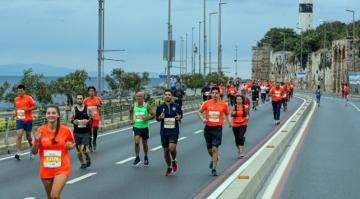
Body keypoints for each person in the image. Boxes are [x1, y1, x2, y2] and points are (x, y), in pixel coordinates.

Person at [31, 105, 75, 199]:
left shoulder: (66, 130)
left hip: (62, 167)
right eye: (49, 113)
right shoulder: (40, 131)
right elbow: (34, 152)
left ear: (58, 115)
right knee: (50, 197)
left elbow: (72, 144)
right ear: (46, 115)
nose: (51, 115)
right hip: (46, 169)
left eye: (54, 113)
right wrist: (36, 140)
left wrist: (70, 146)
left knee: (54, 195)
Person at [197, 86, 229, 176]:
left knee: (215, 148)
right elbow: (199, 112)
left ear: (219, 94)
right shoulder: (206, 103)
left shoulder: (223, 104)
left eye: (216, 93)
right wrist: (202, 119)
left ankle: (214, 169)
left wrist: (230, 122)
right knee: (210, 150)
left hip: (218, 128)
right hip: (208, 128)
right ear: (210, 94)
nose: (214, 95)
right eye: (213, 93)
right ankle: (216, 158)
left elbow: (227, 114)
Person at [156, 89, 182, 176]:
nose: (167, 96)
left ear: (171, 96)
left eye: (169, 95)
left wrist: (179, 117)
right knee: (166, 151)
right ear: (163, 96)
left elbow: (180, 115)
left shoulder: (177, 106)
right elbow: (157, 119)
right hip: (164, 131)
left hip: (174, 130)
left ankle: (174, 160)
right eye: (166, 95)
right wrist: (160, 117)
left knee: (172, 148)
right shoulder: (160, 107)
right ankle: (169, 167)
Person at [129, 91, 155, 167]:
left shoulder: (147, 106)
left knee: (144, 143)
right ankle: (137, 157)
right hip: (136, 127)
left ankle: (146, 156)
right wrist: (131, 120)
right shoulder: (133, 105)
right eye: (137, 96)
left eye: (140, 96)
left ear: (144, 98)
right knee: (136, 142)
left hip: (145, 127)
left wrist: (146, 118)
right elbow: (130, 112)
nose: (138, 98)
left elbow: (153, 115)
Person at [13, 84, 37, 160]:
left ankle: (32, 150)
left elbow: (35, 107)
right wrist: (15, 113)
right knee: (19, 135)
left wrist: (27, 109)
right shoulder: (16, 99)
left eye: (21, 91)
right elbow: (16, 108)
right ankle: (18, 153)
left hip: (28, 120)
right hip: (19, 120)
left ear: (24, 91)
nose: (19, 92)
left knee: (29, 137)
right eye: (18, 91)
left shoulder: (29, 98)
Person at [69, 94, 91, 169]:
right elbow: (70, 119)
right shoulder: (74, 109)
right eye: (78, 99)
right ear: (76, 99)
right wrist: (73, 121)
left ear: (83, 99)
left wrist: (88, 121)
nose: (79, 100)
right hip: (77, 132)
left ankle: (87, 157)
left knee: (84, 148)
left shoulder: (87, 108)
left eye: (81, 98)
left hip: (86, 132)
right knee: (78, 150)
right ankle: (82, 163)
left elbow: (91, 118)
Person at [83, 86, 103, 152]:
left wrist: (98, 106)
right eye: (90, 91)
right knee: (89, 133)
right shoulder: (85, 100)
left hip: (96, 117)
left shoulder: (98, 99)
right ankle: (90, 145)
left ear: (94, 92)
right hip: (89, 118)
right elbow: (83, 109)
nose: (91, 92)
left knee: (94, 131)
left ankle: (94, 141)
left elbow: (101, 105)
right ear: (88, 92)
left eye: (93, 91)